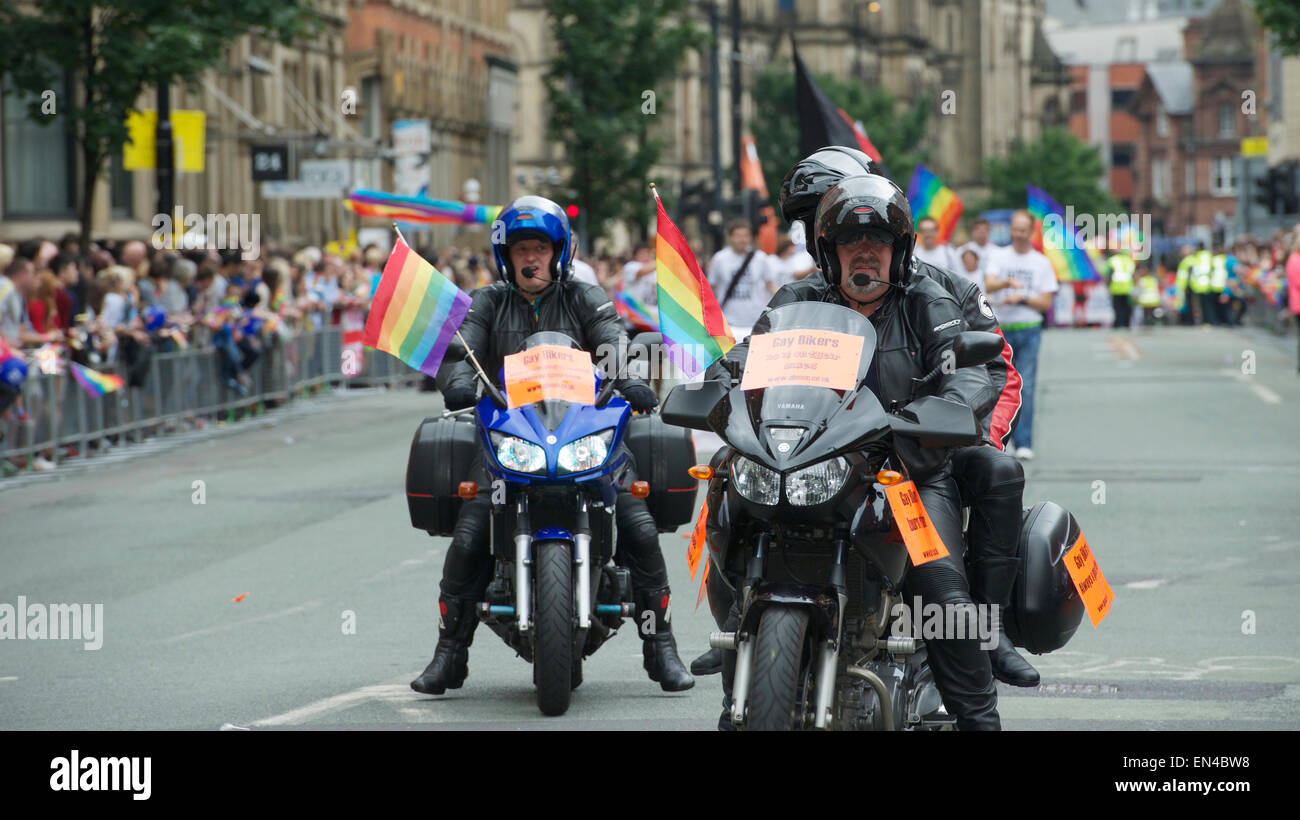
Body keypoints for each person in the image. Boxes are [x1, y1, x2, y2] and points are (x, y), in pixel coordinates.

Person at [705, 175, 1003, 730]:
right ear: (828, 251)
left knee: (940, 590)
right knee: (732, 529)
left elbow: (973, 367)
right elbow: (746, 356)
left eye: (878, 243)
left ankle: (978, 718)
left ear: (899, 250)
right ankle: (737, 691)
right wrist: (715, 387)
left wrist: (946, 409)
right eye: (850, 242)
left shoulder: (925, 301)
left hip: (903, 466)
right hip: (803, 461)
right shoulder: (799, 297)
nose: (865, 253)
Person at [412, 195, 694, 695]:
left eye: (540, 246)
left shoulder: (586, 297)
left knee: (637, 524)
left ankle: (661, 647)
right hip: (513, 440)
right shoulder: (487, 302)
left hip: (583, 435)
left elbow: (613, 342)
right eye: (521, 248)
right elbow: (464, 348)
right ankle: (449, 654)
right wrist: (458, 378)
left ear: (559, 251)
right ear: (506, 256)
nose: (531, 257)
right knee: (471, 534)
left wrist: (627, 376)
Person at [985, 210, 1058, 461]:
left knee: (1025, 386)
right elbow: (989, 283)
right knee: (999, 386)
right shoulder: (999, 256)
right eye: (1014, 229)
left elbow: (1046, 303)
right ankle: (1000, 440)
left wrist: (1023, 298)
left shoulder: (1041, 262)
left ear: (1031, 232)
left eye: (1022, 230)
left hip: (1028, 329)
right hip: (1002, 329)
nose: (1017, 234)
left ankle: (1024, 441)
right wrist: (1008, 284)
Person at [707, 220, 777, 340]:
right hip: (729, 323)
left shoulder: (761, 258)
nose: (742, 239)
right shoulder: (719, 259)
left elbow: (770, 286)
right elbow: (711, 290)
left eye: (746, 236)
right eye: (738, 236)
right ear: (730, 238)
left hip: (757, 323)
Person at [1107, 250, 1134, 330]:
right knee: (1127, 307)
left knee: (1117, 307)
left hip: (1116, 287)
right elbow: (1132, 273)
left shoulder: (1113, 260)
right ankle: (1126, 324)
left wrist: (1108, 285)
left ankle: (1118, 324)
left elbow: (1108, 273)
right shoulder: (1129, 260)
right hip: (1127, 288)